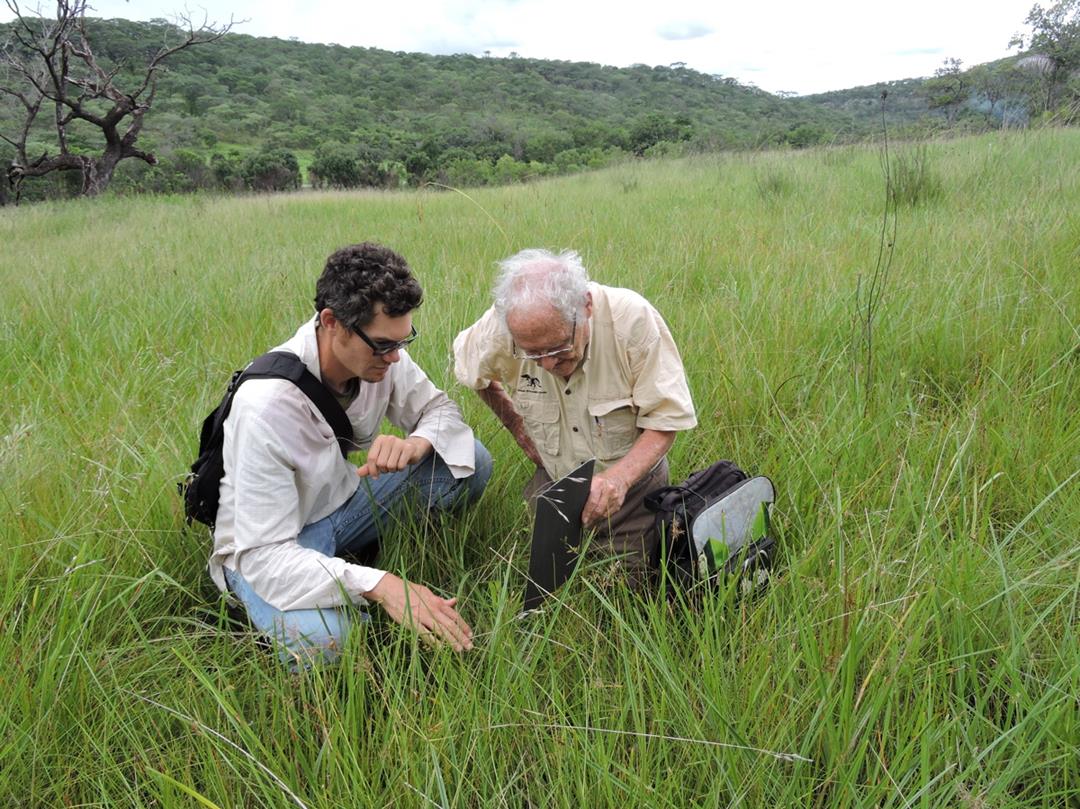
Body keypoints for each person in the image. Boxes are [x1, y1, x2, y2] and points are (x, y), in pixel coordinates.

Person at [208, 242, 492, 665]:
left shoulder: (384, 358)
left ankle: (343, 569)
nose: (395, 357)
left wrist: (416, 443)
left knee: (470, 459)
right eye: (382, 345)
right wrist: (384, 584)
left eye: (403, 341)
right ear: (331, 322)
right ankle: (265, 604)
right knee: (330, 643)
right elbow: (266, 554)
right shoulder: (265, 407)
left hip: (340, 505)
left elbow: (440, 411)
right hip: (265, 548)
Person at [453, 248, 696, 584]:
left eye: (557, 349)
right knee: (545, 589)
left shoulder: (633, 321)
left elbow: (665, 420)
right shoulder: (500, 328)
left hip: (633, 492)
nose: (548, 364)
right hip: (554, 483)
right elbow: (470, 370)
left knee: (625, 591)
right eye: (533, 354)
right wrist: (515, 424)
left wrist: (617, 481)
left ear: (586, 307)